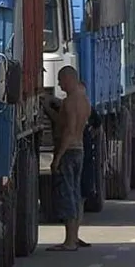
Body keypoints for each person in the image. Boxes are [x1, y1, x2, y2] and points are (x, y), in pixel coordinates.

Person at [40, 66, 91, 252]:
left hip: (68, 152)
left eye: (61, 81)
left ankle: (69, 241)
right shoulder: (84, 101)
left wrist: (57, 157)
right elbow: (68, 123)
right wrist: (48, 107)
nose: (60, 85)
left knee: (67, 195)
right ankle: (74, 237)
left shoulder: (70, 103)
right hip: (79, 150)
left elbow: (68, 131)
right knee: (75, 194)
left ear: (70, 79)